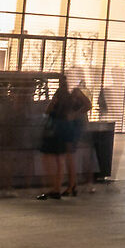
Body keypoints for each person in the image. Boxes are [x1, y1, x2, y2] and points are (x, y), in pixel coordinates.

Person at [40, 68, 91, 199]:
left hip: (71, 127)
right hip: (69, 127)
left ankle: (71, 186)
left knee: (67, 156)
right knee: (67, 156)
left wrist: (74, 115)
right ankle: (71, 185)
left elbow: (88, 105)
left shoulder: (74, 93)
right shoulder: (66, 94)